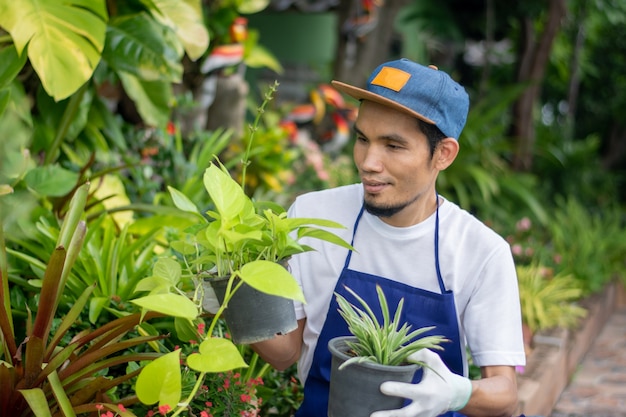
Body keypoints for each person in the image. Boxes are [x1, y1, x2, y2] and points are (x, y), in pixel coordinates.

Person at [251, 58, 526, 417]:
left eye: (393, 146)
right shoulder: (313, 215)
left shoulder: (480, 251)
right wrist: (235, 299)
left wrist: (457, 393)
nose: (368, 162)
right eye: (363, 139)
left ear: (443, 154)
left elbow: (505, 395)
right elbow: (285, 353)